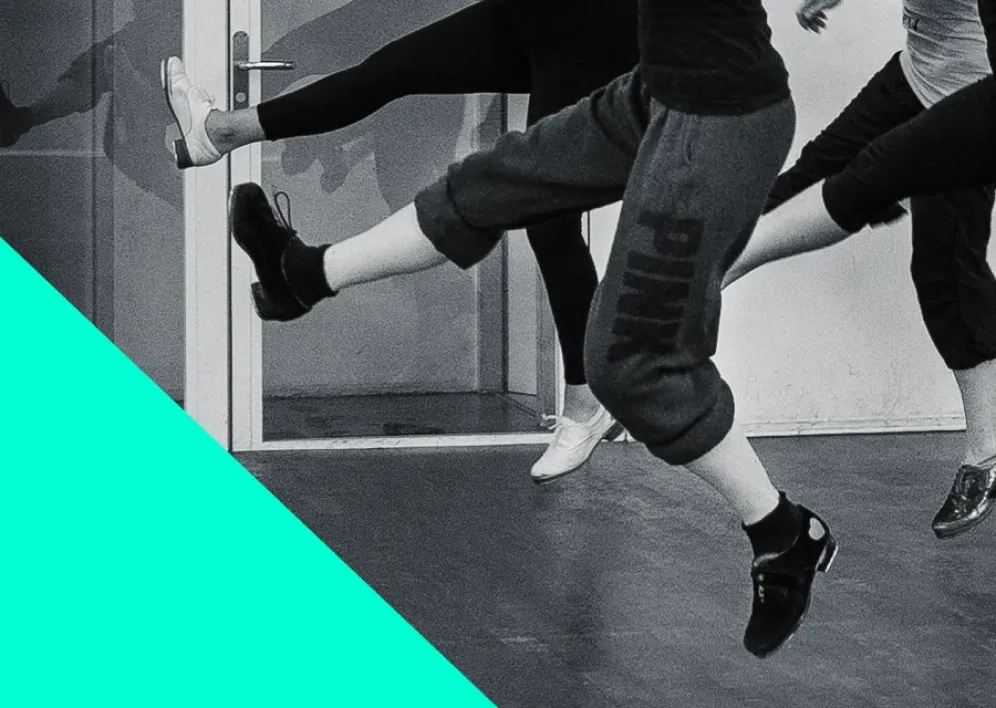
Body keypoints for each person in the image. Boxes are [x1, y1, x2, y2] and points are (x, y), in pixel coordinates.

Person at [166, 0, 845, 656]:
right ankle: (302, 275)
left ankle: (784, 533)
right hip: (656, 92)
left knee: (628, 361)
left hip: (720, 117)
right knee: (487, 186)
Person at [164, 0, 642, 484]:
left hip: (594, 22)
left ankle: (586, 399)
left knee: (546, 215)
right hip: (539, 17)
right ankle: (220, 132)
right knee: (389, 72)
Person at [724, 0, 996, 539]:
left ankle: (985, 456)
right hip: (919, 73)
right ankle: (683, 304)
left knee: (946, 272)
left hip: (970, 97)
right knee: (801, 185)